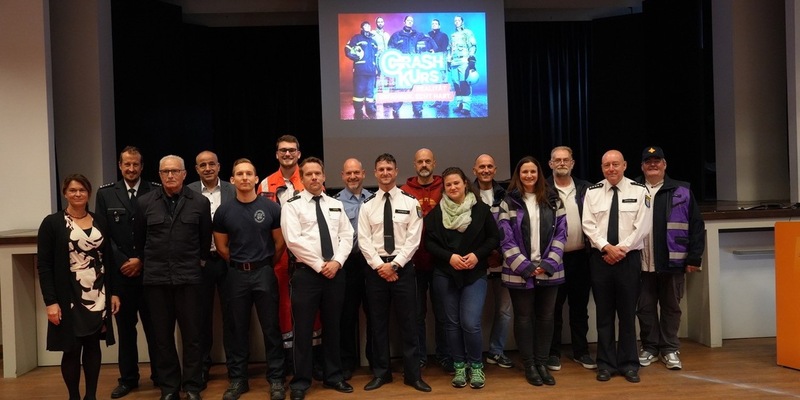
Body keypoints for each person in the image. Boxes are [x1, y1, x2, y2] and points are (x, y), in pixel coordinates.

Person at [134, 155, 212, 400]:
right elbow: (139, 240)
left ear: (184, 174)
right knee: (162, 337)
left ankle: (192, 386)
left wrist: (197, 263)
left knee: (192, 336)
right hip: (156, 280)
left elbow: (204, 240)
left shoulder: (200, 202)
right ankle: (169, 388)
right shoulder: (144, 202)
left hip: (189, 279)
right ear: (159, 175)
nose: (170, 175)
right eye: (165, 171)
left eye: (175, 171)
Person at [38, 174, 121, 400]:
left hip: (98, 292)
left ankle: (91, 396)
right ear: (65, 193)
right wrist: (51, 302)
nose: (77, 194)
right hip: (69, 295)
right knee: (72, 348)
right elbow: (44, 266)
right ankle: (74, 396)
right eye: (72, 190)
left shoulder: (99, 220)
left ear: (89, 193)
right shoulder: (52, 223)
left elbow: (109, 260)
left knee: (93, 346)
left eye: (82, 190)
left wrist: (114, 293)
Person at [213, 159, 286, 400]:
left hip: (264, 272)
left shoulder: (271, 208)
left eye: (249, 174)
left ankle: (276, 379)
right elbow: (222, 247)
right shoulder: (224, 211)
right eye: (239, 174)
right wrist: (240, 263)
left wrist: (263, 264)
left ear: (256, 179)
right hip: (236, 275)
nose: (244, 177)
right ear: (232, 180)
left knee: (271, 328)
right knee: (237, 329)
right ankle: (238, 380)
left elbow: (279, 244)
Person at [282, 157, 355, 400]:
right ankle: (301, 382)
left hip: (335, 273)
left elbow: (347, 235)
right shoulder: (292, 206)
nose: (314, 177)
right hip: (306, 274)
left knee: (333, 327)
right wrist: (319, 265)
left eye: (318, 173)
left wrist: (337, 262)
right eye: (309, 174)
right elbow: (293, 240)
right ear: (301, 179)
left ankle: (334, 376)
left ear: (324, 176)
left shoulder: (335, 204)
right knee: (303, 330)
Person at [358, 153, 431, 393]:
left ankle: (413, 375)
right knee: (377, 324)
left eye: (389, 168)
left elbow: (413, 239)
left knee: (409, 324)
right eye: (381, 169)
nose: (385, 173)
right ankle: (381, 374)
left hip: (403, 270)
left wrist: (395, 265)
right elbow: (364, 240)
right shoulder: (367, 205)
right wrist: (381, 266)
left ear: (396, 171)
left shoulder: (411, 202)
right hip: (376, 271)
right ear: (375, 173)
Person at [425, 167, 501, 389]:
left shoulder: (481, 210)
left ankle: (476, 366)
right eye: (448, 184)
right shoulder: (436, 214)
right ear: (444, 188)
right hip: (445, 274)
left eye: (456, 183)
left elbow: (494, 238)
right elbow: (429, 243)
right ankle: (459, 366)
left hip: (474, 273)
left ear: (465, 183)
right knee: (452, 323)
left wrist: (478, 255)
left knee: (470, 322)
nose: (453, 187)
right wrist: (449, 257)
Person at [582, 149, 652, 384]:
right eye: (606, 165)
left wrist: (621, 249)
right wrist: (606, 247)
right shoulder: (592, 192)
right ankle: (605, 364)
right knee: (603, 315)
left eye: (615, 164)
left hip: (628, 259)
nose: (611, 169)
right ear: (602, 168)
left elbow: (643, 226)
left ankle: (629, 364)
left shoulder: (639, 191)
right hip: (600, 259)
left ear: (624, 165)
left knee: (627, 314)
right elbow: (588, 225)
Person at [95, 146, 160, 398]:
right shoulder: (106, 194)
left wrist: (141, 260)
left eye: (135, 164)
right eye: (127, 164)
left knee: (156, 329)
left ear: (142, 166)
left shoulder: (155, 191)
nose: (131, 169)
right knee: (126, 331)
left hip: (150, 273)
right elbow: (103, 235)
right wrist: (125, 261)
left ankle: (161, 375)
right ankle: (128, 379)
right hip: (121, 275)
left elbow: (159, 232)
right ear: (120, 166)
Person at [497, 156, 566, 387]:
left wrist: (547, 264)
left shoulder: (554, 200)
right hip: (518, 270)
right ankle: (529, 365)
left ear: (539, 174)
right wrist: (526, 266)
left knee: (546, 318)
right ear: (519, 175)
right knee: (524, 318)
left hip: (549, 269)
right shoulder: (508, 202)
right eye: (524, 172)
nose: (529, 176)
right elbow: (505, 239)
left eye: (533, 171)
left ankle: (542, 363)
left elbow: (562, 234)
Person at [635, 146, 705, 371]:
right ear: (642, 166)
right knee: (645, 307)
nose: (653, 165)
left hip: (673, 261)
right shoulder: (633, 189)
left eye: (657, 161)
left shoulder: (682, 190)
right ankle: (649, 347)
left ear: (665, 165)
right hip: (641, 262)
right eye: (648, 161)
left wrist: (694, 257)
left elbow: (696, 225)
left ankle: (670, 349)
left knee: (671, 307)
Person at [256, 135, 316, 370]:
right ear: (277, 154)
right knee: (282, 304)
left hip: (307, 253)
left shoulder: (311, 178)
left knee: (310, 304)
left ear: (299, 153)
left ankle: (313, 359)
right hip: (277, 252)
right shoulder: (265, 184)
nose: (287, 154)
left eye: (292, 150)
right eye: (283, 150)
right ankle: (288, 361)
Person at [545, 146, 597, 371]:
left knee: (579, 308)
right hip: (553, 259)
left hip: (581, 258)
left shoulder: (587, 188)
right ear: (550, 164)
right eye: (557, 160)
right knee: (552, 309)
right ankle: (552, 353)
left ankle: (581, 351)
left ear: (573, 163)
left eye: (566, 160)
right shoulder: (542, 188)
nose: (562, 163)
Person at [187, 150, 236, 387]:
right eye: (202, 165)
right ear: (196, 169)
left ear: (219, 166)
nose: (207, 168)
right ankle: (203, 367)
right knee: (200, 317)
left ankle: (235, 367)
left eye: (211, 164)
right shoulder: (188, 191)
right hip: (201, 262)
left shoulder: (232, 190)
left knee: (232, 315)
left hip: (229, 260)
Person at [400, 148, 451, 373]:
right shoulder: (404, 191)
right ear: (414, 164)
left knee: (443, 312)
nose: (424, 165)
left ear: (434, 163)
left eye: (427, 161)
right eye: (420, 161)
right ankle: (419, 356)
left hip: (441, 261)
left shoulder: (445, 187)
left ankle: (445, 355)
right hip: (413, 262)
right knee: (416, 314)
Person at [471, 154, 513, 369]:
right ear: (474, 170)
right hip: (477, 262)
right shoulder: (467, 195)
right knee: (473, 313)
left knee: (504, 311)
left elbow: (511, 229)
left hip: (503, 261)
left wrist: (499, 253)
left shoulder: (506, 194)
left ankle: (496, 352)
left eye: (489, 166)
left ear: (495, 169)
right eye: (482, 167)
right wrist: (484, 254)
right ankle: (474, 355)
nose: (485, 170)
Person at [334, 158, 373, 380]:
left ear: (363, 173)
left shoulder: (374, 199)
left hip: (371, 262)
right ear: (342, 175)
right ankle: (347, 362)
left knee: (374, 313)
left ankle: (375, 361)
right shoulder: (335, 202)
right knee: (346, 315)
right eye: (348, 173)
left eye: (356, 172)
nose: (353, 177)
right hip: (347, 263)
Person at [387, 15, 438, 118]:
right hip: (401, 68)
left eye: (411, 21)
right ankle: (396, 108)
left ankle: (418, 109)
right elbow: (390, 50)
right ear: (404, 22)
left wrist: (434, 48)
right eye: (408, 20)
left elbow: (429, 39)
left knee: (417, 88)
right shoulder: (396, 36)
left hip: (415, 68)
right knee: (400, 89)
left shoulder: (417, 35)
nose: (410, 22)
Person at [344, 21, 379, 119]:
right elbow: (347, 49)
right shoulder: (357, 38)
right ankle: (358, 110)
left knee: (370, 92)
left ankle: (370, 108)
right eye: (365, 25)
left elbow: (376, 57)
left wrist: (377, 68)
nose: (367, 27)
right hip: (360, 70)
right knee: (359, 91)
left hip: (371, 71)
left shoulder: (374, 42)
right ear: (362, 28)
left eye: (368, 25)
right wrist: (355, 57)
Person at [448, 15, 477, 115]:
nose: (456, 22)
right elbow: (450, 49)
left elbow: (472, 46)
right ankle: (459, 104)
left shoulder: (468, 33)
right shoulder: (453, 35)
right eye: (455, 20)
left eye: (458, 20)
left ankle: (466, 107)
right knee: (456, 83)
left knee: (464, 83)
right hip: (454, 62)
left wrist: (472, 58)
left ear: (462, 22)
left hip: (464, 60)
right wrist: (449, 60)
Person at [428, 18, 449, 108]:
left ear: (439, 25)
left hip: (441, 60)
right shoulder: (429, 35)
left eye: (436, 23)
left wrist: (435, 51)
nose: (434, 25)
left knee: (443, 80)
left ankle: (445, 101)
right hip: (432, 61)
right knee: (435, 81)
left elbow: (444, 47)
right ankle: (437, 100)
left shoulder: (443, 35)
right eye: (432, 23)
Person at [371, 17, 391, 93]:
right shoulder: (373, 33)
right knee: (377, 74)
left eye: (381, 22)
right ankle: (375, 92)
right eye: (378, 22)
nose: (380, 23)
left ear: (384, 23)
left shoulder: (386, 35)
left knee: (385, 74)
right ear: (376, 23)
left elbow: (389, 46)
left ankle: (385, 92)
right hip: (376, 57)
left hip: (385, 58)